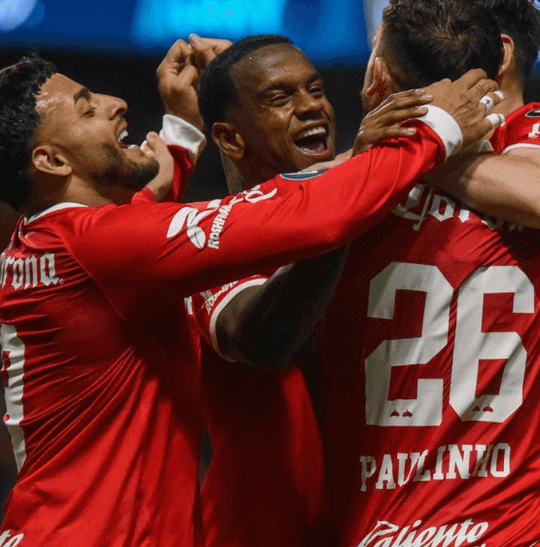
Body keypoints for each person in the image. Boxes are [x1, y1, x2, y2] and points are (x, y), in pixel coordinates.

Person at [0, 42, 501, 545]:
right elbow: (316, 217)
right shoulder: (97, 246)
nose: (115, 103)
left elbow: (147, 218)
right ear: (52, 162)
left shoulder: (52, 240)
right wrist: (435, 130)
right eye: (88, 111)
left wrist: (181, 128)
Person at [318, 0, 540, 547]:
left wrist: (414, 143)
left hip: (508, 524)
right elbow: (282, 211)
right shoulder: (364, 168)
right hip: (374, 523)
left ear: (500, 53)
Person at [183, 34, 439, 547]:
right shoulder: (209, 239)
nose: (309, 106)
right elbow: (266, 340)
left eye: (315, 89)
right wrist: (350, 188)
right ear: (231, 140)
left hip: (380, 529)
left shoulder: (372, 218)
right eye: (279, 99)